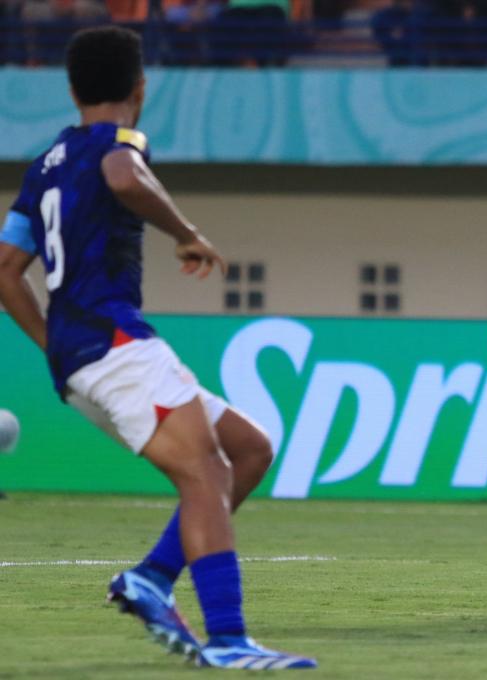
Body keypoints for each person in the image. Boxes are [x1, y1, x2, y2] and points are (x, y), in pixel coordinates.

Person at [0, 26, 315, 670]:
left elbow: (6, 268)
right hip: (115, 340)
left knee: (248, 449)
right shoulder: (120, 140)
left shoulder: (44, 167)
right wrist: (186, 232)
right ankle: (227, 640)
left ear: (70, 88)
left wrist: (53, 344)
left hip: (85, 350)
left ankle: (150, 579)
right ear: (139, 90)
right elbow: (125, 175)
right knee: (208, 474)